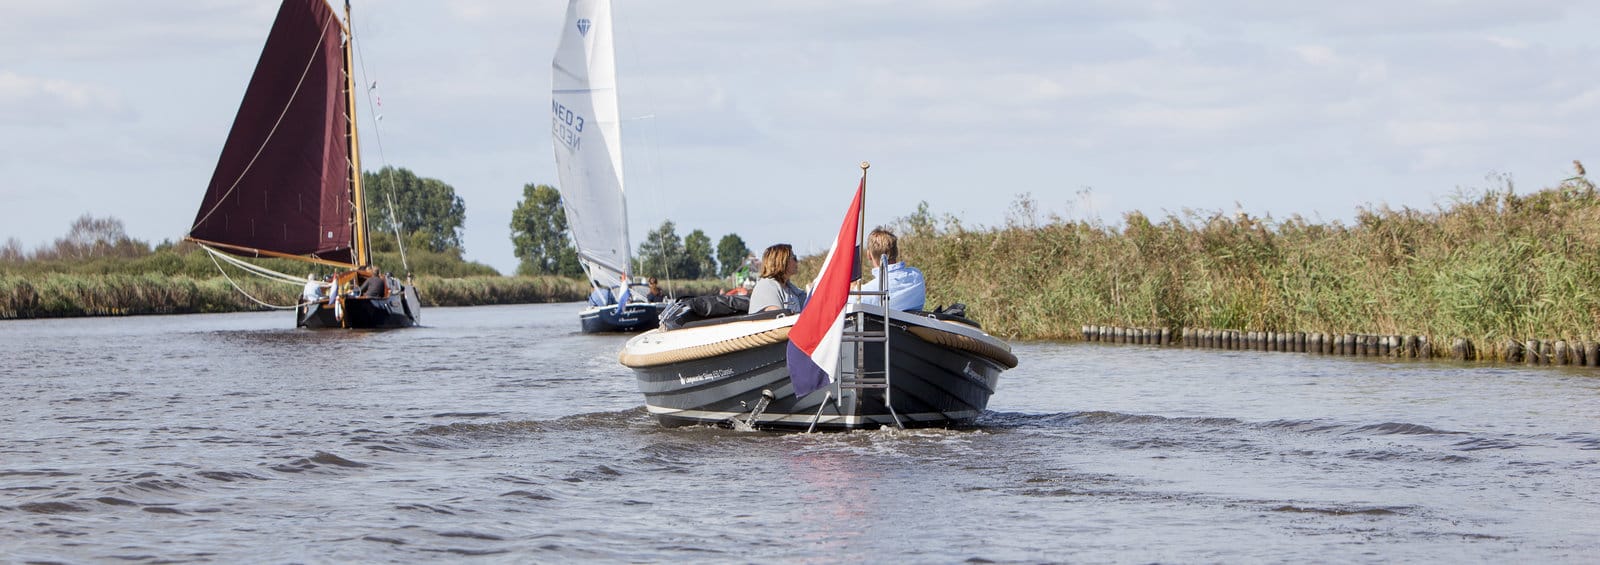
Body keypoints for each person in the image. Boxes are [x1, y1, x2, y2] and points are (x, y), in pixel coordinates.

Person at [859, 227, 926, 311]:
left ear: (868, 255)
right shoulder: (916, 275)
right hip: (915, 323)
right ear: (896, 251)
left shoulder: (866, 291)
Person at [747, 243, 806, 313]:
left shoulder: (790, 288)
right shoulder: (766, 287)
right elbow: (777, 315)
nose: (797, 261)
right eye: (794, 258)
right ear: (782, 262)